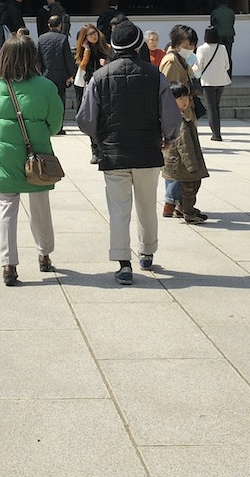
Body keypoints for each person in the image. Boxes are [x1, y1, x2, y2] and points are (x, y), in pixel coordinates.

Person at [77, 17, 180, 284]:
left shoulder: (99, 77)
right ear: (138, 46)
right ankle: (147, 252)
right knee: (147, 205)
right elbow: (170, 116)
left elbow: (85, 119)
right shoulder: (154, 75)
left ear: (112, 45)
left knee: (119, 209)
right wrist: (168, 138)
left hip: (113, 153)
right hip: (147, 151)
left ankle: (124, 262)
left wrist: (100, 139)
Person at [0, 34, 62, 285]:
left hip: (3, 154)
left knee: (6, 207)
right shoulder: (46, 86)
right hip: (36, 152)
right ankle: (44, 253)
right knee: (40, 205)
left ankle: (8, 264)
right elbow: (56, 123)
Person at [159, 24, 198, 215]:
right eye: (187, 45)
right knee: (177, 162)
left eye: (192, 45)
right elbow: (168, 92)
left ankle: (176, 202)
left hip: (183, 113)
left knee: (178, 161)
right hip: (177, 118)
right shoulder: (171, 62)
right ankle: (171, 201)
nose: (190, 49)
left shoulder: (181, 60)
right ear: (177, 43)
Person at [162, 80, 210, 222]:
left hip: (177, 162)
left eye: (187, 97)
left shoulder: (175, 117)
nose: (185, 101)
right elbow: (184, 146)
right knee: (190, 187)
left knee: (187, 186)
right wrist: (191, 165)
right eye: (180, 98)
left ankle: (180, 208)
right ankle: (188, 212)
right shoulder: (179, 121)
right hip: (182, 163)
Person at [74, 23, 110, 164]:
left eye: (94, 33)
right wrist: (87, 50)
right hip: (90, 86)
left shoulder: (106, 47)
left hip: (105, 85)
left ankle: (103, 149)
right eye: (90, 34)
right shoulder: (84, 50)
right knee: (91, 117)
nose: (94, 36)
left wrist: (106, 63)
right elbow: (82, 66)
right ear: (85, 37)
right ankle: (95, 149)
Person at [35, 14, 74, 133]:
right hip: (60, 77)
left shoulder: (41, 38)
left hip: (46, 75)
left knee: (46, 102)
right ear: (60, 25)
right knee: (59, 102)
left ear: (48, 25)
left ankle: (46, 124)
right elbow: (68, 58)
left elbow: (38, 58)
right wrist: (70, 75)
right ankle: (58, 127)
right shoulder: (62, 39)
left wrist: (39, 72)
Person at [195, 25, 232, 141]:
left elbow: (198, 66)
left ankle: (216, 134)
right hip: (221, 80)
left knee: (211, 107)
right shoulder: (222, 47)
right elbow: (227, 65)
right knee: (216, 106)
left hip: (207, 81)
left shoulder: (201, 49)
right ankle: (217, 132)